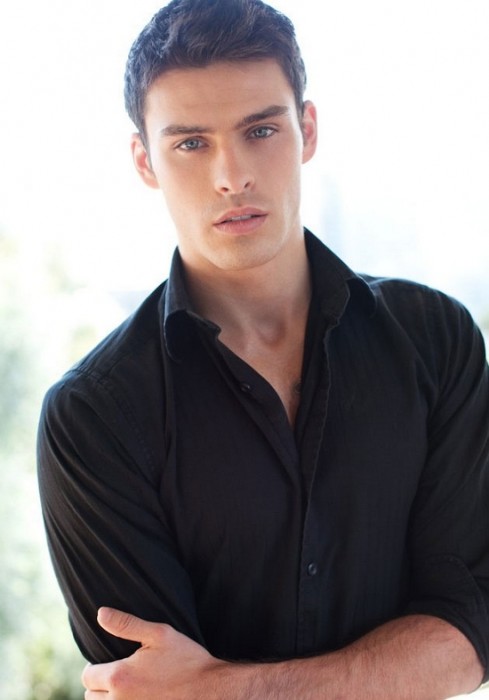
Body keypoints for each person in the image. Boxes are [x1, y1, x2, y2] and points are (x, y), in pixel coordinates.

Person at [37, 0, 489, 697]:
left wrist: (228, 687)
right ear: (145, 160)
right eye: (191, 143)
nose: (232, 175)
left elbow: (470, 630)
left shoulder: (436, 340)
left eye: (260, 130)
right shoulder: (93, 417)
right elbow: (149, 688)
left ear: (307, 129)